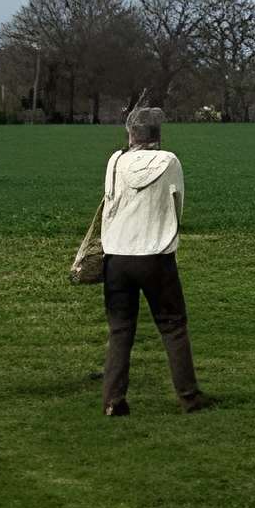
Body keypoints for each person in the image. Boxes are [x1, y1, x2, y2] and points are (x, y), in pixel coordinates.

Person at [99, 105, 215, 417]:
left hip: (117, 256)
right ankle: (189, 397)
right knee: (173, 325)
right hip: (155, 256)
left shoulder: (115, 161)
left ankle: (113, 400)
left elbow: (109, 202)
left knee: (120, 329)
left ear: (130, 134)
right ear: (157, 135)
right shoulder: (169, 162)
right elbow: (178, 206)